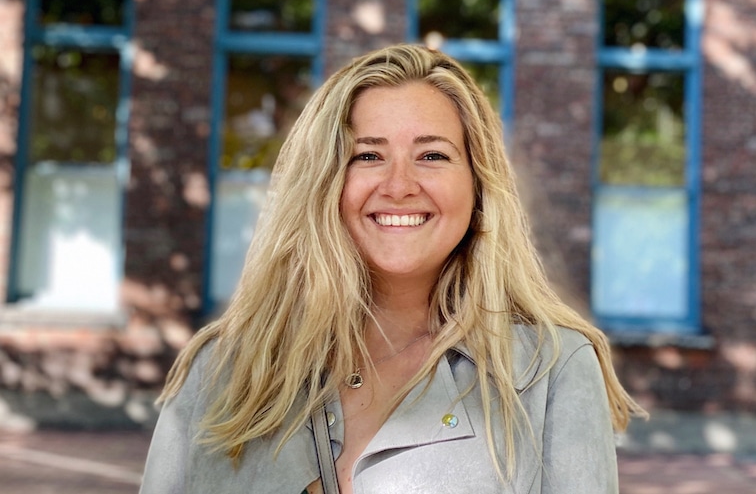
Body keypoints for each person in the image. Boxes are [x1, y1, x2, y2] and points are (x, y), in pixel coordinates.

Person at [139, 43, 645, 494]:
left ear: (478, 187)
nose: (399, 185)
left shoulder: (551, 374)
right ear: (323, 183)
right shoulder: (219, 372)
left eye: (431, 155)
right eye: (367, 156)